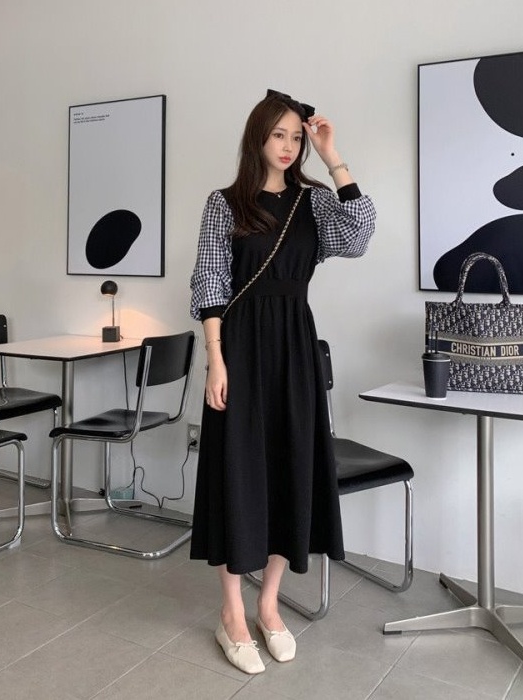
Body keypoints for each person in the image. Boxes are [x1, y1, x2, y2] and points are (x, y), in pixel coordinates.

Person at [189, 89, 376, 674]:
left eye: (297, 137)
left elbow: (360, 235)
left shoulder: (313, 201)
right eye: (280, 135)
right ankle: (231, 613)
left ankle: (268, 604)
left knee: (289, 468)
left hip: (295, 346)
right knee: (237, 471)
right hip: (240, 347)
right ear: (258, 137)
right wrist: (216, 360)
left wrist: (332, 155)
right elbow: (209, 283)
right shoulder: (225, 204)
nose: (290, 146)